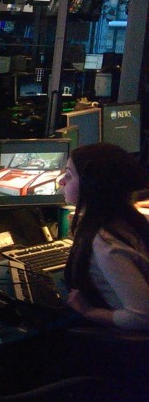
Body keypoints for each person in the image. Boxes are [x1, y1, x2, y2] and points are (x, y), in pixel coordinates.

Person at [62, 142, 149, 331]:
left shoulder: (106, 242)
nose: (61, 182)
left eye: (68, 175)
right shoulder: (128, 219)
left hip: (119, 342)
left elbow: (142, 317)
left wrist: (89, 312)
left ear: (92, 185)